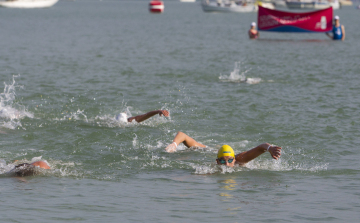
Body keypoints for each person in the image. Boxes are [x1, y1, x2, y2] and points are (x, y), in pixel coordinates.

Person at [165, 131, 281, 167]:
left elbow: (261, 147)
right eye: (222, 161)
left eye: (230, 160)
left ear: (234, 159)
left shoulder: (240, 158)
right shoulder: (212, 166)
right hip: (211, 151)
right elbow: (182, 135)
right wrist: (174, 144)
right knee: (199, 148)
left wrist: (270, 148)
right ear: (217, 161)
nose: (226, 164)